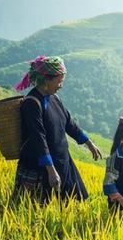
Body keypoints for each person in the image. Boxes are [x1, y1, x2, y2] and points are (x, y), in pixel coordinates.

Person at [12, 55, 102, 204]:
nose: (61, 85)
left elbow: (69, 124)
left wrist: (89, 143)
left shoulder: (55, 98)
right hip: (41, 167)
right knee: (36, 209)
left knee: (73, 204)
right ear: (46, 80)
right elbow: (38, 138)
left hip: (62, 161)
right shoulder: (32, 103)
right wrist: (50, 170)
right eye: (59, 81)